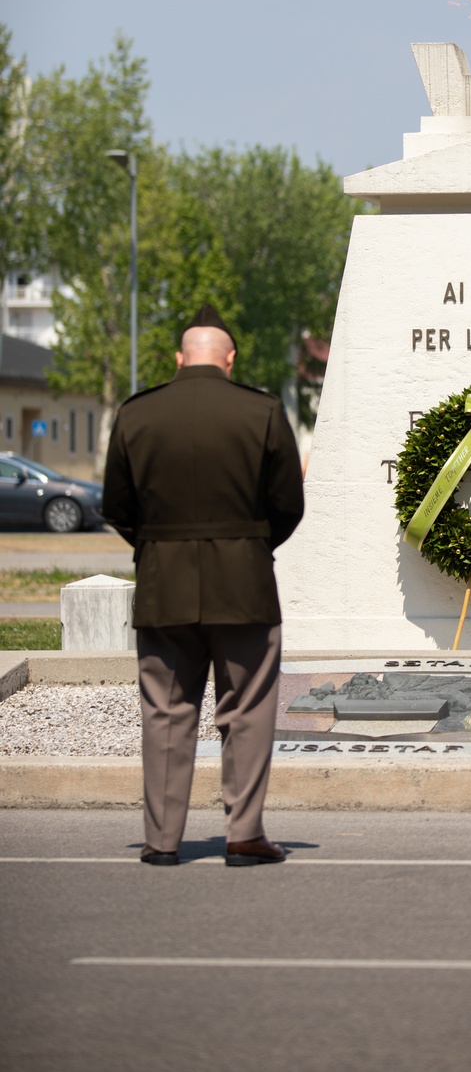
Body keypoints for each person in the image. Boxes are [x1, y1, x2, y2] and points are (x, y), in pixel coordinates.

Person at [103, 304, 305, 867]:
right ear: (230, 358)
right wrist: (249, 545)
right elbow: (289, 503)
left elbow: (115, 505)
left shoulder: (136, 414)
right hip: (244, 583)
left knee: (165, 712)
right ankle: (243, 833)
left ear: (179, 358)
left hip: (163, 584)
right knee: (247, 709)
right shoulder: (261, 411)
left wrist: (157, 547)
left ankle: (162, 840)